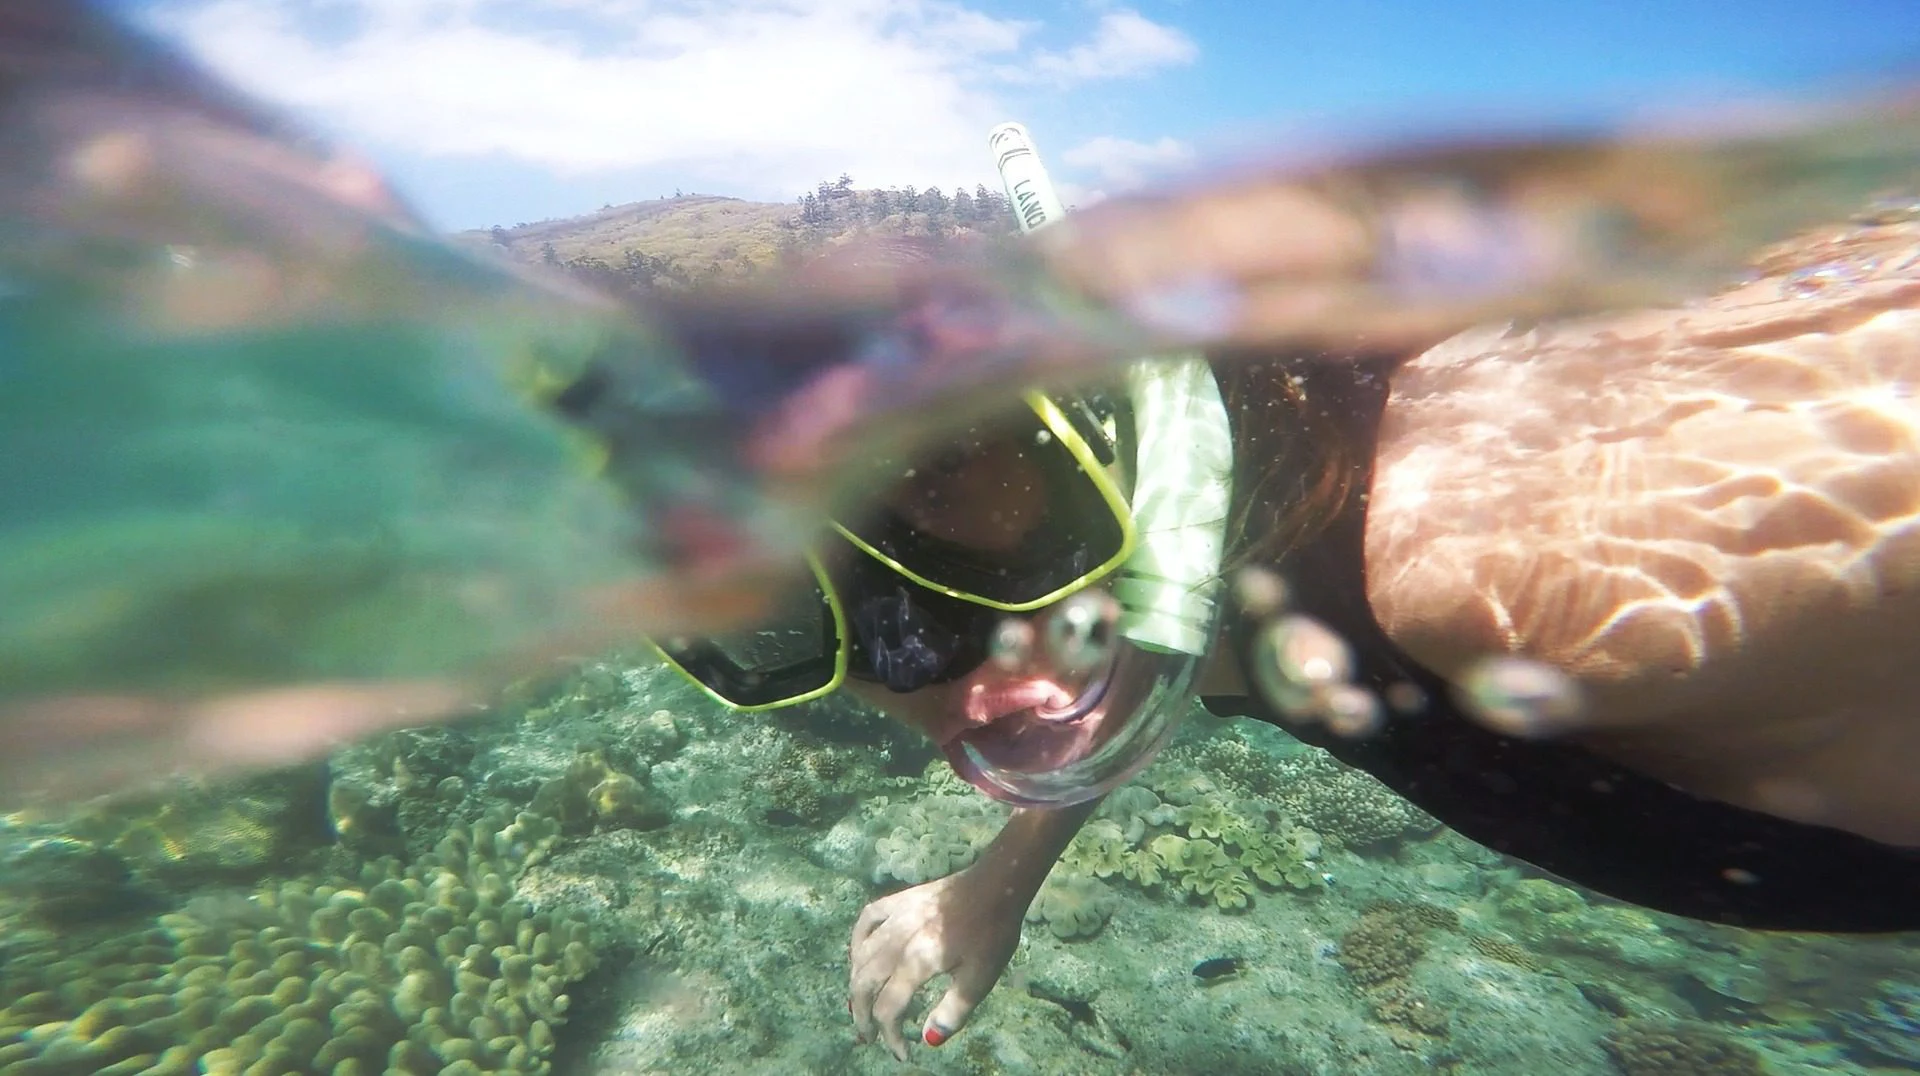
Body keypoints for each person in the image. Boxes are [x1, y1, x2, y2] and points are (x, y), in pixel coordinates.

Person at [652, 211, 1920, 1061]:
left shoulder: (1501, 561)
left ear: (1126, 442)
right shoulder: (1219, 549)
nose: (938, 700)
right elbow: (1113, 666)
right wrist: (1002, 874)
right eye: (796, 634)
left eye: (961, 496)